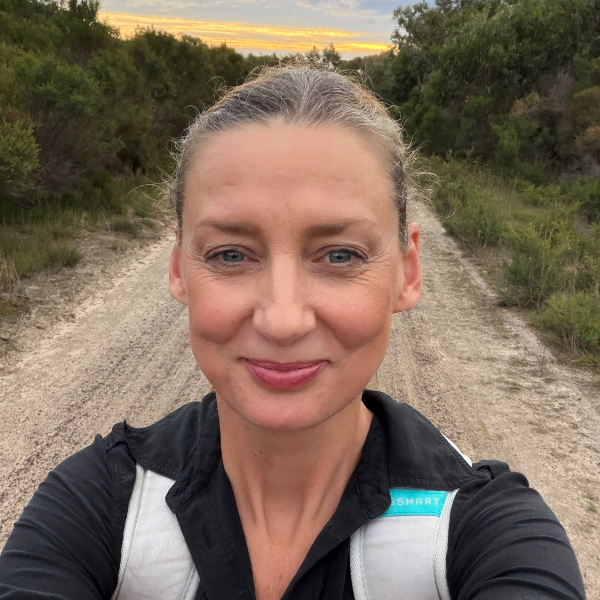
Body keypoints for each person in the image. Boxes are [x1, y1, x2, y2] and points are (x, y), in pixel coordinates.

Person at [0, 64, 586, 600]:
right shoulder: (94, 505)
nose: (282, 322)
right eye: (231, 254)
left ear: (407, 272)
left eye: (340, 256)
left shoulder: (490, 534)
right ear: (178, 269)